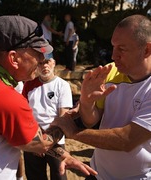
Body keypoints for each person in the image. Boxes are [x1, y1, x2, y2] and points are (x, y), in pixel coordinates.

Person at [0, 15, 97, 180]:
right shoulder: (4, 98)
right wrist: (66, 121)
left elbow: (19, 135)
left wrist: (63, 155)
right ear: (14, 59)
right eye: (37, 53)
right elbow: (40, 143)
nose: (41, 59)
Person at [53, 14, 151, 179]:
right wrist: (86, 102)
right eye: (113, 47)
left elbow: (127, 140)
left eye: (122, 48)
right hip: (98, 173)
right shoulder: (110, 71)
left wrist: (73, 132)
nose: (113, 56)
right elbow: (91, 119)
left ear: (147, 50)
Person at [23, 54, 73, 180]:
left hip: (55, 141)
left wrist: (44, 143)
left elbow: (63, 118)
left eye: (47, 62)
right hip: (32, 139)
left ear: (54, 63)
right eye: (40, 63)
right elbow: (24, 115)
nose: (44, 65)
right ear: (36, 65)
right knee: (35, 176)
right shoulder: (28, 85)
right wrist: (36, 143)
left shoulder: (62, 85)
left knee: (59, 176)